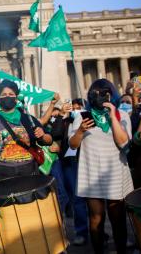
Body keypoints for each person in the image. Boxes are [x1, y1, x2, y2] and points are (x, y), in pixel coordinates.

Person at [69, 79, 133, 254]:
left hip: (115, 171)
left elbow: (123, 143)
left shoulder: (122, 115)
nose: (99, 96)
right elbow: (72, 145)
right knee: (96, 218)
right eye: (94, 93)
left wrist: (113, 116)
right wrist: (81, 131)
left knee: (118, 218)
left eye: (104, 92)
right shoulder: (82, 116)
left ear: (111, 94)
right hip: (92, 172)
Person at [0, 80, 53, 182]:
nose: (8, 96)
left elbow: (49, 140)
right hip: (3, 176)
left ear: (16, 98)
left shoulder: (28, 119)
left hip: (29, 173)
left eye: (11, 94)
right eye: (4, 94)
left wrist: (43, 136)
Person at [60, 98, 90, 246]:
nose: (76, 110)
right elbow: (59, 135)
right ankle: (82, 231)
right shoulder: (66, 121)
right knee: (77, 198)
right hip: (72, 162)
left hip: (89, 160)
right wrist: (61, 116)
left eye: (79, 108)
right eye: (74, 108)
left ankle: (98, 230)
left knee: (94, 198)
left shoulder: (90, 118)